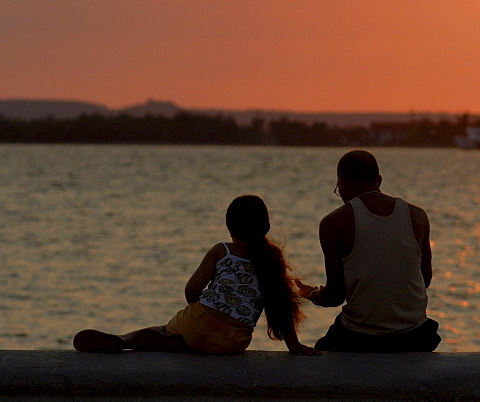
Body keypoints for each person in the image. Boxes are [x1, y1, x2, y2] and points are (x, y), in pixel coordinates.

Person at [73, 195, 319, 356]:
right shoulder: (272, 257)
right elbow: (280, 303)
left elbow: (191, 291)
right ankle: (184, 342)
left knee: (166, 329)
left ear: (229, 227)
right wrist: (294, 346)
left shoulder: (221, 250)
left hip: (199, 321)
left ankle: (125, 340)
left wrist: (202, 306)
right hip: (234, 342)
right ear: (265, 227)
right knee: (199, 337)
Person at [295, 149, 441, 352]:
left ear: (342, 180)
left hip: (361, 336)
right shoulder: (417, 216)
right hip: (415, 334)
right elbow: (425, 279)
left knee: (321, 353)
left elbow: (335, 296)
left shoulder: (333, 223)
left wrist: (312, 294)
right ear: (379, 179)